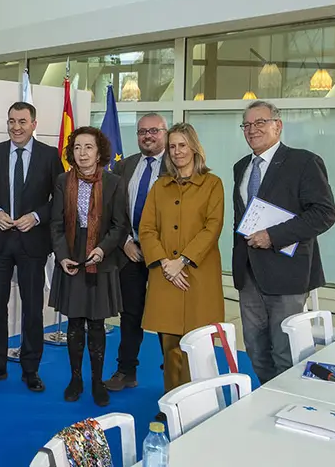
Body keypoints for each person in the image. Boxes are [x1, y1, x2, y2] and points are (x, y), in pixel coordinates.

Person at [232, 100, 335, 384]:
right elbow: (240, 220)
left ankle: (290, 405)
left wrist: (273, 236)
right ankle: (268, 398)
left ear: (278, 125)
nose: (253, 130)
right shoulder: (241, 167)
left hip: (287, 273)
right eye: (247, 125)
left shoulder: (303, 162)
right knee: (255, 349)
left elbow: (324, 214)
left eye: (260, 123)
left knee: (285, 351)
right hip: (249, 275)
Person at [0, 102, 62, 392]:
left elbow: (59, 199)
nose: (16, 127)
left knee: (33, 309)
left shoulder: (50, 156)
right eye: (11, 121)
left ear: (34, 124)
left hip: (33, 242)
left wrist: (36, 217)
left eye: (22, 121)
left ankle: (31, 369)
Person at [138, 123, 225, 396]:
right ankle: (173, 402)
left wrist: (182, 261)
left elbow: (212, 227)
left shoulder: (213, 184)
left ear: (195, 148)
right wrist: (166, 263)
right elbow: (147, 229)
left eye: (183, 145)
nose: (177, 152)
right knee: (170, 346)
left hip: (197, 277)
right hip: (166, 276)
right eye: (173, 146)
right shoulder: (160, 186)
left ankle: (200, 399)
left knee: (197, 345)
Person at [50, 127, 128, 406]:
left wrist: (102, 250)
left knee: (96, 324)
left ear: (99, 153)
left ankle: (97, 380)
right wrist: (61, 256)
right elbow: (56, 224)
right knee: (74, 322)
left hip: (101, 256)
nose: (82, 154)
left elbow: (121, 225)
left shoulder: (114, 182)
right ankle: (75, 379)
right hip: (71, 255)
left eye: (88, 148)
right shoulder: (62, 180)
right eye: (78, 148)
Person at [104, 113, 168, 392]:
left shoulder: (177, 164)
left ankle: (174, 376)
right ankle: (125, 370)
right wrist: (124, 241)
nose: (147, 136)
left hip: (166, 256)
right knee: (130, 315)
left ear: (165, 133)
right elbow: (113, 210)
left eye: (154, 130)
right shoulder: (125, 166)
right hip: (130, 253)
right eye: (142, 131)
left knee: (167, 318)